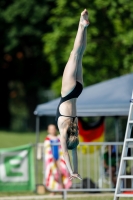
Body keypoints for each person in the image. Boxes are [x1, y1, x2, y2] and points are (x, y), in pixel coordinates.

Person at [55, 9, 90, 181]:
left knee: (80, 55)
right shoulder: (64, 130)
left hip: (77, 91)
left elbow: (73, 151)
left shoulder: (74, 130)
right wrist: (70, 170)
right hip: (68, 92)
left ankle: (84, 26)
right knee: (74, 54)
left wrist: (75, 170)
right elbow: (66, 154)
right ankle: (81, 24)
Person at [44, 124, 72, 192]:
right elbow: (47, 151)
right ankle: (53, 190)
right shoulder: (47, 139)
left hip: (59, 158)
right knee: (53, 174)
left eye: (54, 129)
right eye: (51, 129)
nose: (53, 130)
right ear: (48, 130)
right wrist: (52, 159)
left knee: (61, 173)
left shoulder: (59, 138)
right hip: (51, 159)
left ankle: (62, 189)